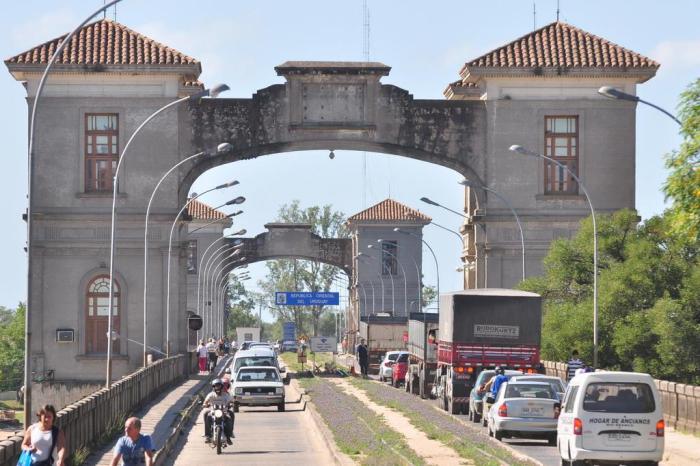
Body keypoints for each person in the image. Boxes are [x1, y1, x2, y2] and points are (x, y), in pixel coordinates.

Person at [202, 379, 234, 444]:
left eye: (219, 386)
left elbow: (231, 401)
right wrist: (205, 404)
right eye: (216, 386)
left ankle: (229, 436)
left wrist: (231, 403)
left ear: (222, 386)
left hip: (224, 413)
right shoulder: (210, 395)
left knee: (230, 417)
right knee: (206, 414)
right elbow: (205, 402)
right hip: (213, 412)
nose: (217, 387)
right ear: (213, 387)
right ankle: (207, 435)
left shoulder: (226, 395)